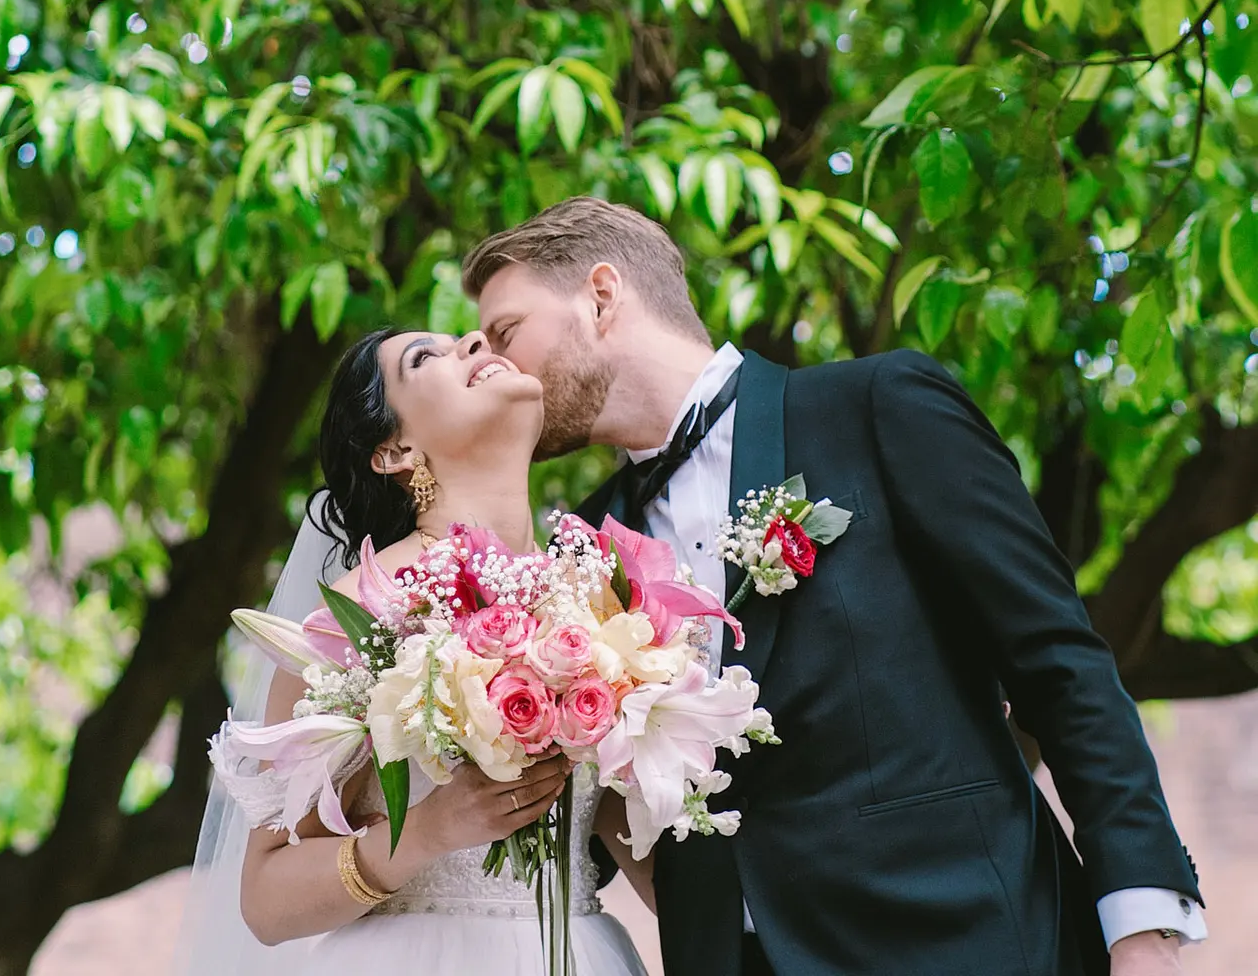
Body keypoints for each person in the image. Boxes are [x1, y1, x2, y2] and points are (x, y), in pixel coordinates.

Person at [462, 196, 1206, 976]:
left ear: (602, 295)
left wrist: (1143, 932)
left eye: (508, 332)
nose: (495, 365)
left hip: (965, 937)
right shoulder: (573, 558)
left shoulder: (877, 407)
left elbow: (1061, 664)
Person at [179, 327, 649, 976]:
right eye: (426, 356)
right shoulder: (358, 617)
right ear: (394, 449)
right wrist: (426, 832)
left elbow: (641, 846)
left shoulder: (598, 605)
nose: (478, 339)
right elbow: (263, 899)